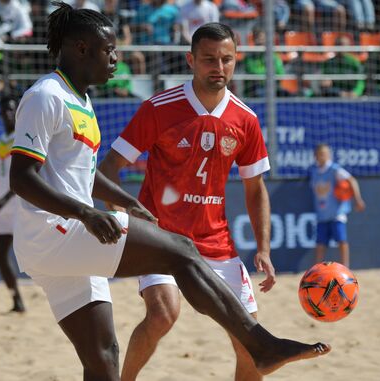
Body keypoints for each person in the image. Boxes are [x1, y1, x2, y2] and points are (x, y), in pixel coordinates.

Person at [9, 3, 330, 380]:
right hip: (56, 232)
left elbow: (82, 173)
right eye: (109, 50)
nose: (116, 58)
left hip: (67, 243)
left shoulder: (79, 99)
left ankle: (258, 349)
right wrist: (88, 213)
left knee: (103, 356)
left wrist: (127, 202)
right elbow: (22, 178)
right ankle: (261, 346)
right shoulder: (46, 95)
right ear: (82, 49)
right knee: (181, 252)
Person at [100, 22, 278, 381]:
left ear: (236, 60)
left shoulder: (246, 119)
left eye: (227, 59)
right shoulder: (159, 108)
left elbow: (255, 187)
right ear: (191, 60)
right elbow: (108, 168)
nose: (219, 67)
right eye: (209, 59)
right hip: (160, 237)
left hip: (215, 242)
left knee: (251, 340)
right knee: (164, 314)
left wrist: (263, 248)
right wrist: (121, 220)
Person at [0, 95, 25, 313]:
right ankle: (16, 298)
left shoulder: (23, 136)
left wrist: (4, 199)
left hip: (19, 204)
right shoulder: (3, 138)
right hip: (3, 207)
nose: (8, 113)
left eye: (12, 109)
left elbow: (24, 174)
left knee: (35, 253)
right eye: (4, 110)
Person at [309, 144, 365, 268]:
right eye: (321, 154)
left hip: (337, 213)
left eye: (326, 153)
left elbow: (352, 180)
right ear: (316, 156)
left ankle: (346, 267)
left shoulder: (335, 169)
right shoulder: (314, 171)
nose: (324, 156)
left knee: (342, 241)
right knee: (320, 243)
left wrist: (357, 199)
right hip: (322, 214)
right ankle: (317, 269)